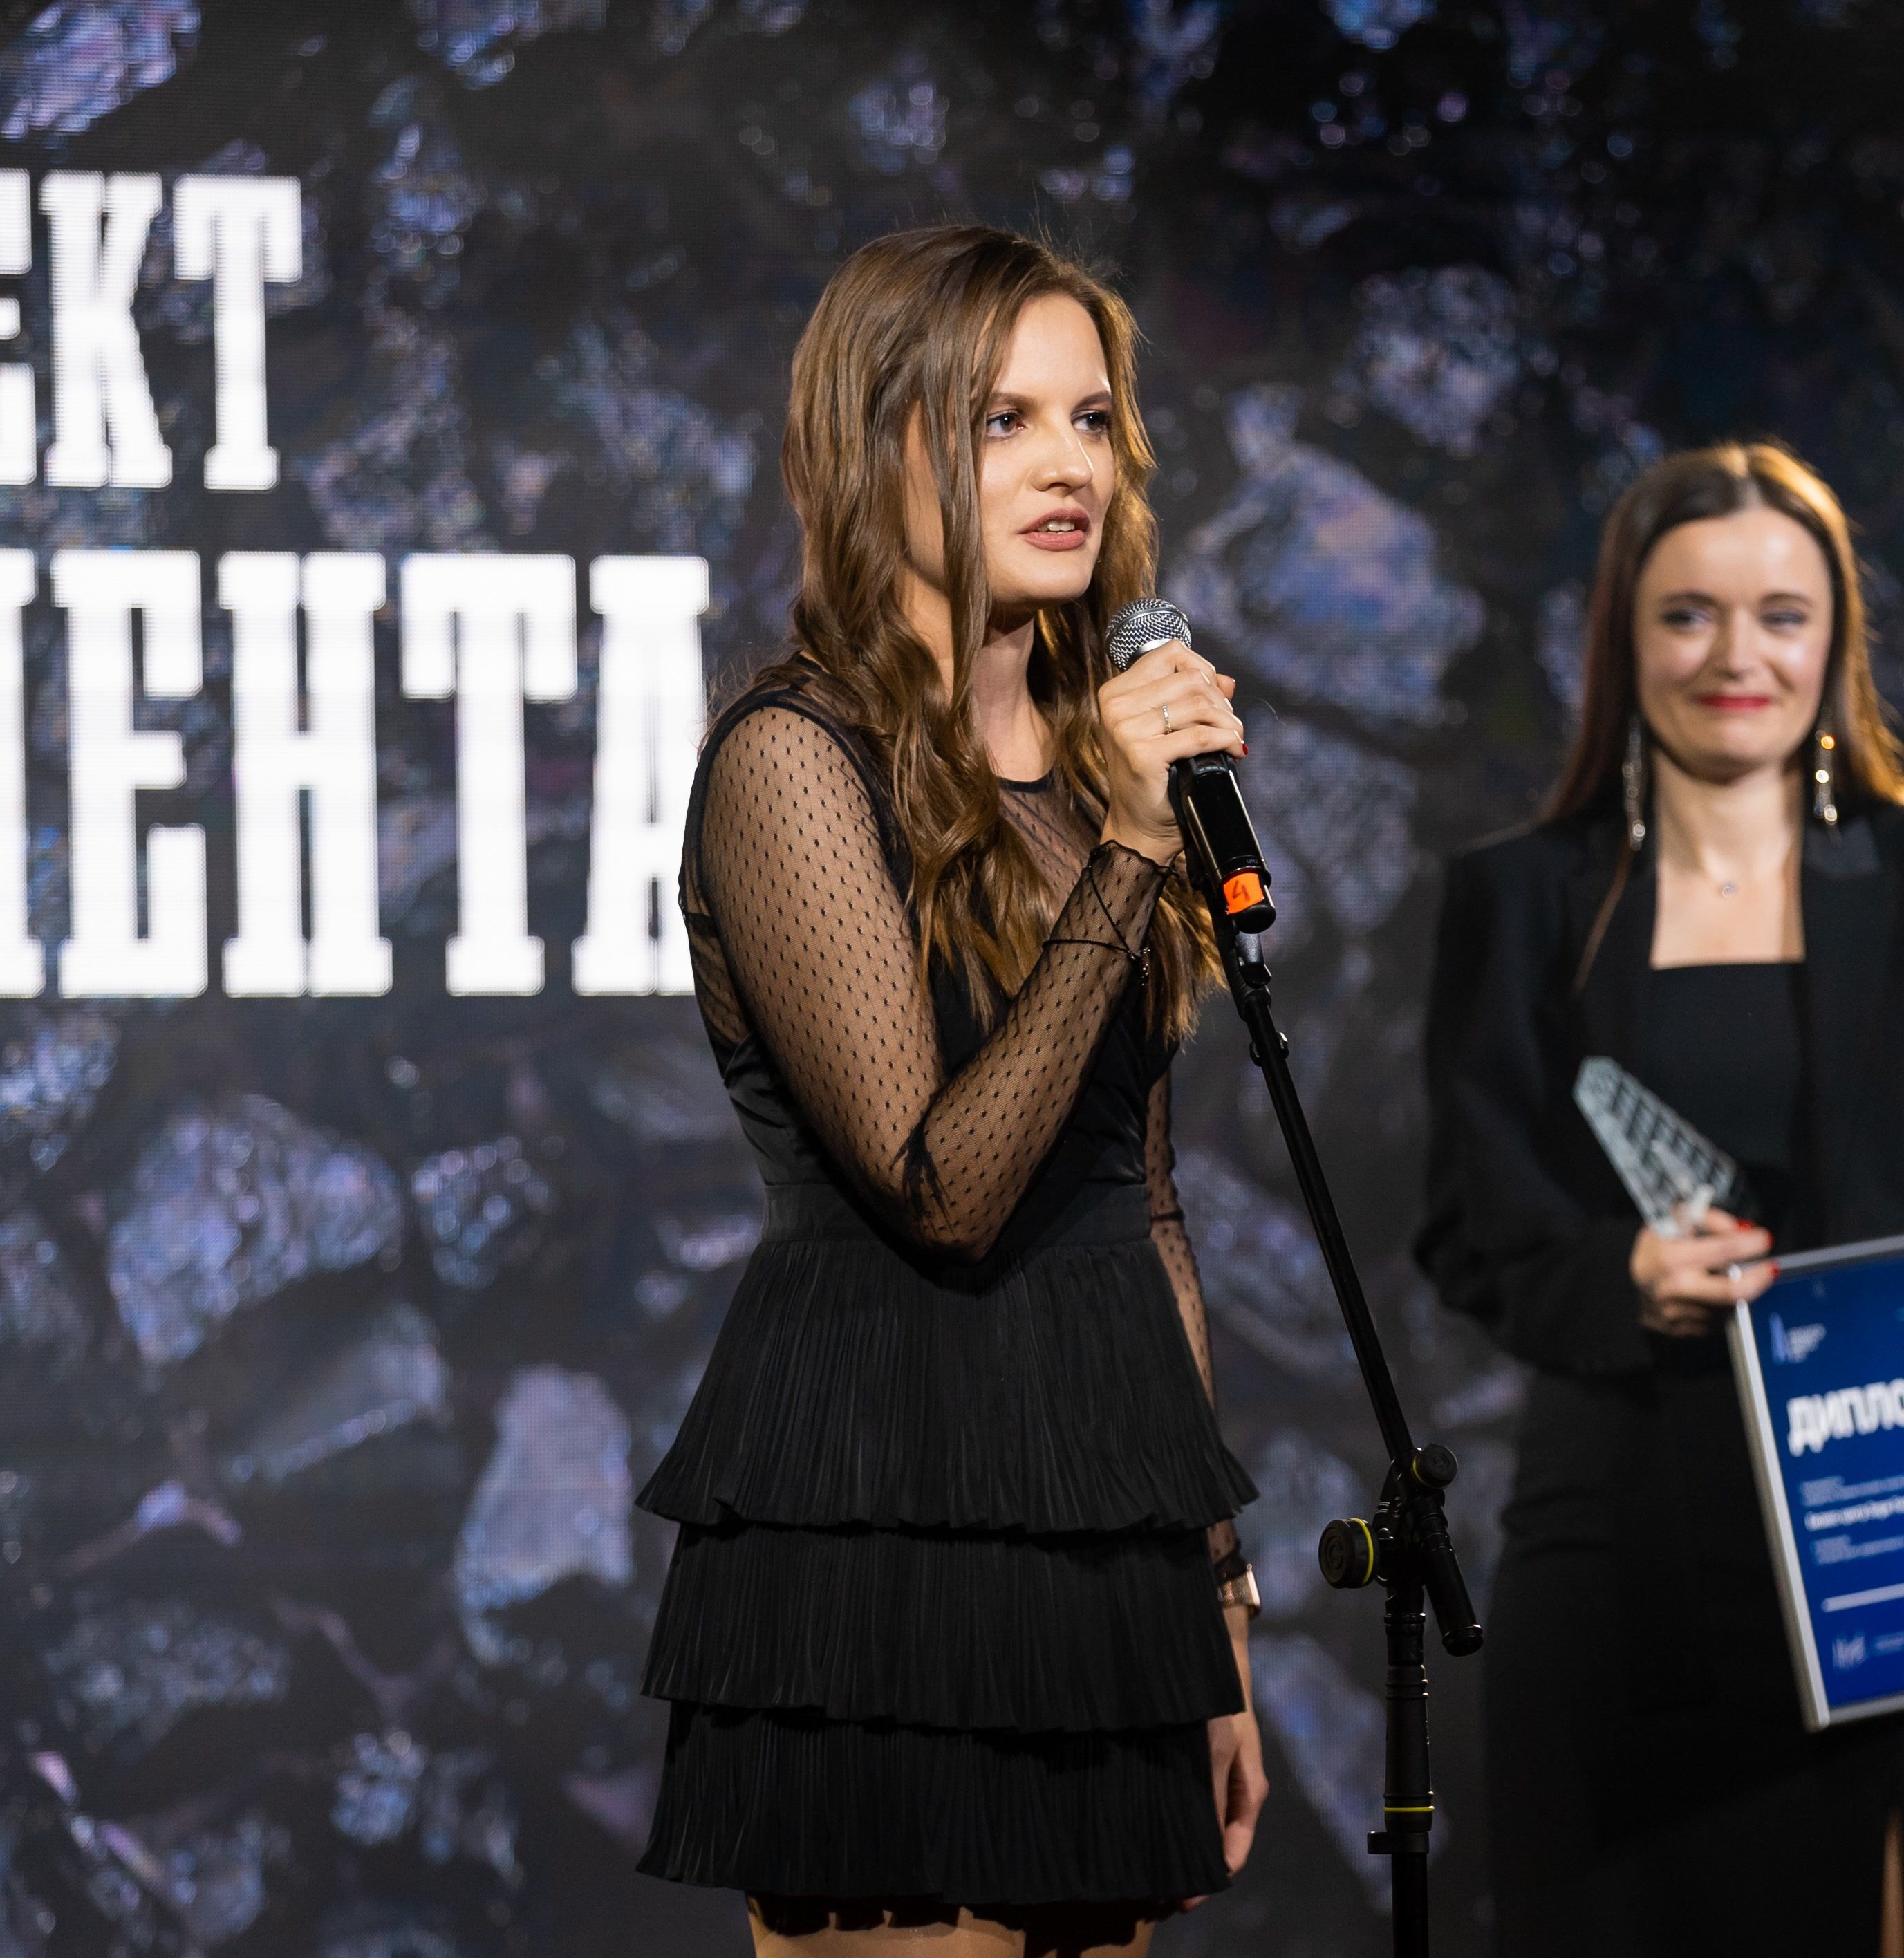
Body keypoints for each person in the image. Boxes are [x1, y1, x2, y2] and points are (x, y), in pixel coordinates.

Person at [632, 226, 1267, 1957]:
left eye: (1091, 419)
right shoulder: (790, 759)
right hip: (881, 1520)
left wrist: (1210, 1596)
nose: (1069, 465)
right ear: (875, 445)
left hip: (1097, 1534)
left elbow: (1139, 1204)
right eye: (1003, 420)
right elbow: (943, 1190)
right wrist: (1126, 849)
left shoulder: (1096, 773)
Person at [1416, 442, 1904, 1955]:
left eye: (1782, 617)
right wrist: (1622, 1276)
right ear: (1623, 639)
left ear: (1835, 639)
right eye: (1689, 616)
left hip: (1889, 1560)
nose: (1739, 657)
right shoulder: (1518, 898)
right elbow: (1467, 1228)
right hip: (1617, 1576)